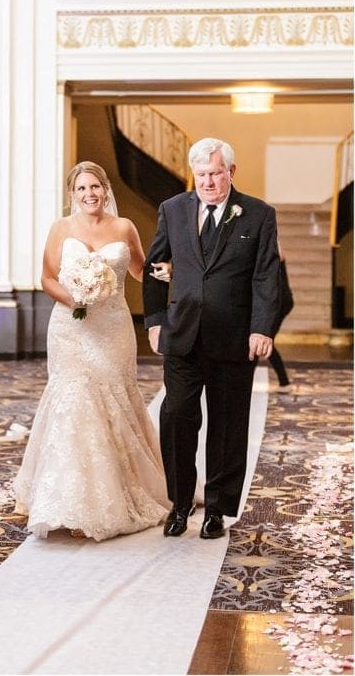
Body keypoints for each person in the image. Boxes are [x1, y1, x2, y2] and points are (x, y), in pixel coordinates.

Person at [12, 161, 171, 541]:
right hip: (70, 326)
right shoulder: (61, 229)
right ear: (73, 194)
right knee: (74, 402)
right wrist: (76, 297)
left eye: (95, 187)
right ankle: (67, 500)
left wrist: (163, 271)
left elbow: (138, 270)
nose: (89, 195)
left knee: (114, 400)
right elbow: (47, 277)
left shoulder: (124, 228)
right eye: (82, 189)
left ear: (106, 189)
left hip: (113, 328)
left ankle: (113, 495)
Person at [143, 137, 280, 540]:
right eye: (200, 174)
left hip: (235, 338)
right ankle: (180, 503)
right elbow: (154, 265)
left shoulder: (257, 214)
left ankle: (217, 509)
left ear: (230, 173)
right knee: (177, 415)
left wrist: (262, 328)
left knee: (227, 424)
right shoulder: (173, 209)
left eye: (215, 174)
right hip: (182, 334)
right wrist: (154, 320)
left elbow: (265, 275)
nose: (207, 181)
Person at [267, 250, 294, 392]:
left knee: (266, 341)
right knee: (265, 341)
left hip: (280, 303)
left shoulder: (274, 255)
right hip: (281, 301)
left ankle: (284, 382)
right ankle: (284, 382)